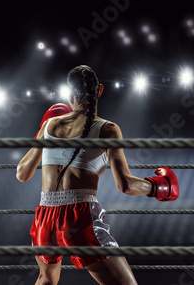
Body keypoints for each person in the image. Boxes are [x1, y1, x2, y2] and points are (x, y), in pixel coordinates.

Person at [16, 65, 179, 285]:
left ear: (69, 93)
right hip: (79, 216)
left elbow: (22, 173)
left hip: (44, 217)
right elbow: (125, 185)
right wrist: (160, 186)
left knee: (45, 280)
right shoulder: (107, 129)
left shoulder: (49, 124)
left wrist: (42, 134)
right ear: (99, 90)